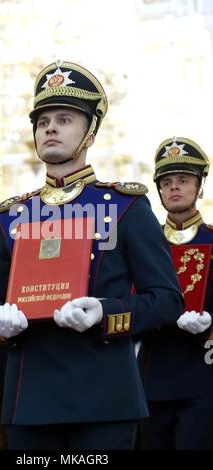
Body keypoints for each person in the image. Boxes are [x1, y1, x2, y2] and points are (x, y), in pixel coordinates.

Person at [0, 61, 183, 450]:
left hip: (104, 397)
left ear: (90, 132)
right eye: (42, 121)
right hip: (29, 398)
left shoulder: (126, 207)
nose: (49, 127)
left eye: (64, 119)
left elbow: (167, 300)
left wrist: (107, 312)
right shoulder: (12, 217)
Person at [138, 136, 213, 450]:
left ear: (199, 187)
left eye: (183, 180)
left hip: (203, 372)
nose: (174, 187)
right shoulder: (144, 242)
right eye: (166, 182)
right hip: (154, 371)